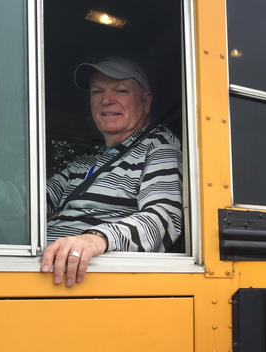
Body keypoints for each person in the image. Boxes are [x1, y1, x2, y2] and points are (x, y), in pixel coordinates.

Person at [40, 56, 183, 286]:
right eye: (97, 92)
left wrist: (96, 239)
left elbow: (163, 218)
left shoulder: (159, 148)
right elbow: (27, 208)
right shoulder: (83, 164)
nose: (106, 100)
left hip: (81, 278)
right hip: (42, 264)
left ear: (145, 102)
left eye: (120, 91)